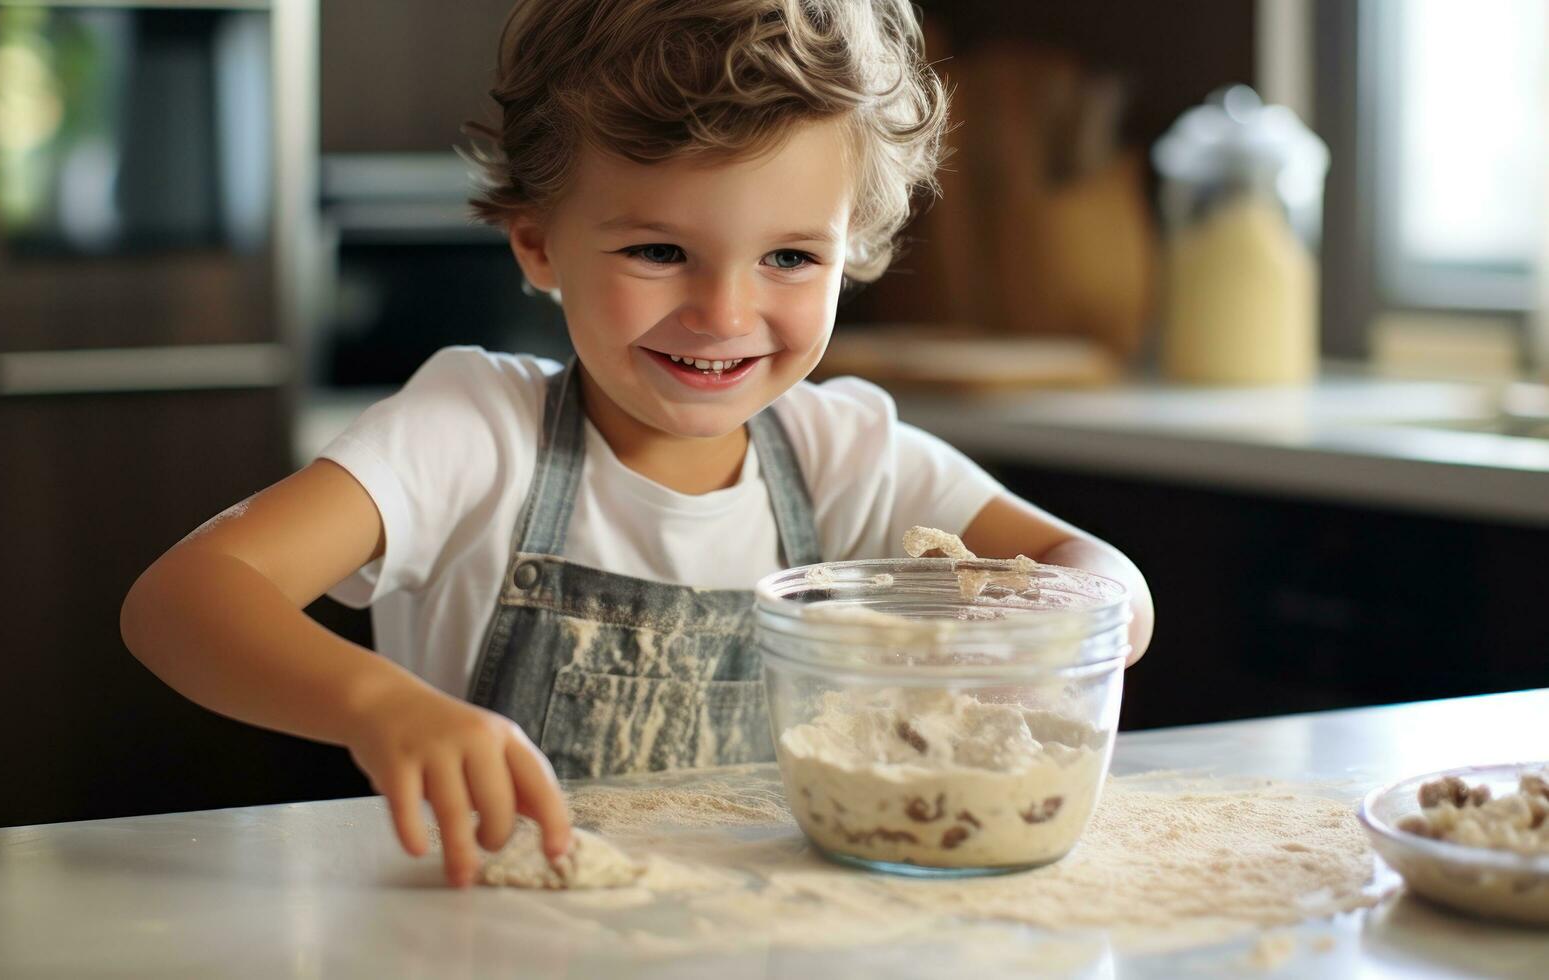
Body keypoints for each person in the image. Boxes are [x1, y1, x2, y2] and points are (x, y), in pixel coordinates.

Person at [120, 0, 1154, 889]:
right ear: (538, 240)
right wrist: (376, 705)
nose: (724, 311)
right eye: (660, 250)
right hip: (503, 934)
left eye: (791, 255)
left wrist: (1035, 634)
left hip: (771, 934)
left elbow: (1105, 579)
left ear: (857, 248)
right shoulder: (473, 432)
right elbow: (184, 597)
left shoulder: (846, 454)